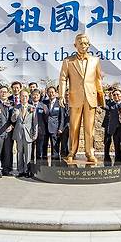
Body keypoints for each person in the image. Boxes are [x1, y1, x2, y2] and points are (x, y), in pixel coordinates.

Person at [58, 33, 105, 163]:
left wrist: (101, 99)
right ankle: (72, 151)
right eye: (80, 43)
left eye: (85, 43)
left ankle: (90, 153)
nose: (83, 45)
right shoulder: (68, 61)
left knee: (90, 128)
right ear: (75, 45)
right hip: (75, 97)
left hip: (91, 98)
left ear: (89, 45)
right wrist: (61, 95)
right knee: (74, 127)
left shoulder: (95, 60)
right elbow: (62, 79)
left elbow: (98, 80)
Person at [12, 90, 37, 177]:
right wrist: (15, 115)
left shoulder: (32, 107)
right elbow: (13, 120)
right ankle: (20, 170)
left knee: (27, 153)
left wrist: (35, 134)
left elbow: (35, 122)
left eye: (26, 96)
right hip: (19, 133)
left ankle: (27, 170)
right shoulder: (16, 107)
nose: (24, 98)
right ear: (20, 97)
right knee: (19, 152)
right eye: (22, 96)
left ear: (28, 97)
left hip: (28, 134)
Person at [45, 86, 65, 160]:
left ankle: (55, 167)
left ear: (56, 93)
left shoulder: (59, 103)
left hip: (55, 129)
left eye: (52, 92)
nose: (51, 94)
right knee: (44, 148)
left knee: (55, 149)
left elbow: (62, 117)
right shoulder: (45, 102)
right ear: (47, 93)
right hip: (45, 129)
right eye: (49, 92)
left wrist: (60, 128)